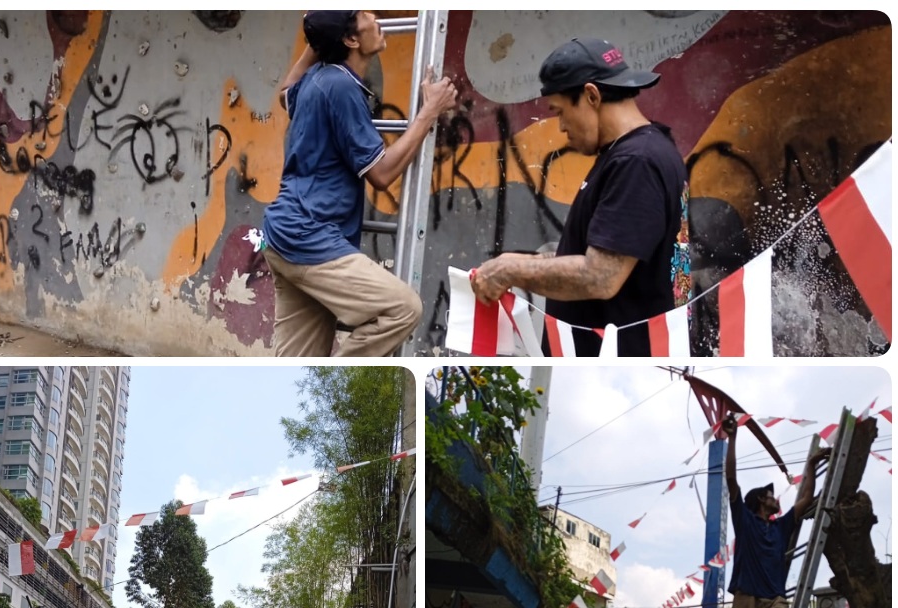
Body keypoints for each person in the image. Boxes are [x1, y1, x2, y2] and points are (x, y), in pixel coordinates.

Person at [469, 37, 690, 356]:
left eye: (560, 111)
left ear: (591, 95)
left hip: (615, 362)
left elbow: (601, 276)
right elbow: (594, 255)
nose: (561, 127)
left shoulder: (636, 162)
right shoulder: (641, 151)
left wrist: (509, 271)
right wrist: (514, 262)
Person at [261, 11, 457, 356]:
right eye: (362, 13)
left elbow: (285, 93)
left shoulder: (317, 78)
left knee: (296, 364)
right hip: (310, 237)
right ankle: (335, 384)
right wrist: (429, 112)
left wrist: (319, 37)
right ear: (350, 39)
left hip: (284, 235)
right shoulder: (339, 87)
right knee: (403, 308)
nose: (374, 17)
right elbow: (381, 174)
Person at [722, 413, 829, 608]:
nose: (776, 498)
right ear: (760, 501)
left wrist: (812, 465)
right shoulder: (745, 521)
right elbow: (731, 480)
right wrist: (732, 439)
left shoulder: (780, 527)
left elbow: (805, 500)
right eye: (771, 495)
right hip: (747, 595)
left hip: (774, 597)